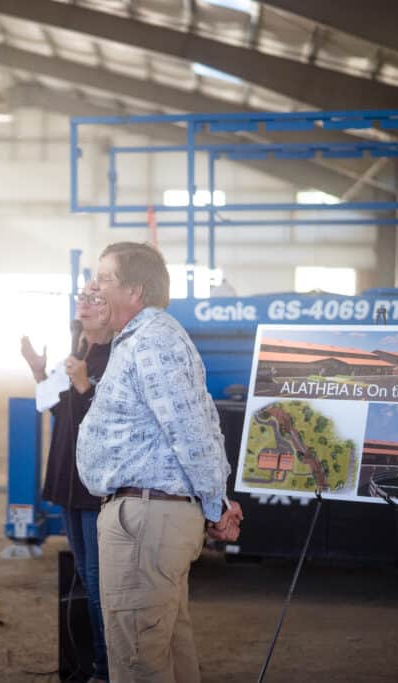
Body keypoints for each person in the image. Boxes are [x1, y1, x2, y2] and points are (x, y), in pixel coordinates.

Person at [76, 242, 243, 682]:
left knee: (138, 662)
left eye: (104, 279)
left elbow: (190, 430)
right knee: (163, 651)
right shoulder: (143, 340)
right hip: (148, 517)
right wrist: (215, 501)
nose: (94, 288)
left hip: (145, 520)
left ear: (135, 291)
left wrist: (216, 503)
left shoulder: (153, 341)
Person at [21, 283, 113, 683]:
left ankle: (107, 669)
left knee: (98, 582)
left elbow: (113, 420)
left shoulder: (118, 356)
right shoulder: (79, 350)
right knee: (87, 574)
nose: (83, 306)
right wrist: (39, 370)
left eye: (93, 301)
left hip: (94, 486)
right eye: (82, 301)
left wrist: (83, 385)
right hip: (67, 477)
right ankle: (101, 665)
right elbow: (60, 408)